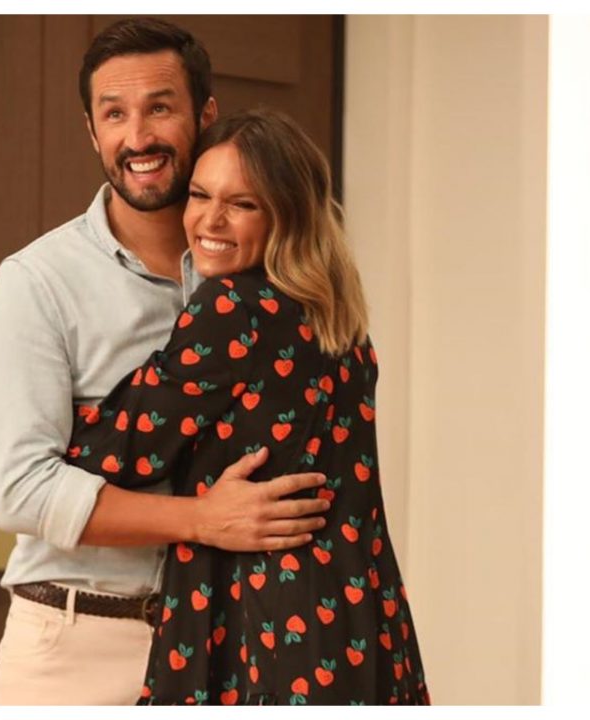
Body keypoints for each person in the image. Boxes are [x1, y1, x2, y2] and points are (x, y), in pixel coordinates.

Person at [0, 19, 330, 706]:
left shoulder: (269, 281)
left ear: (205, 115)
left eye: (160, 107)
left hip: (231, 649)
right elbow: (19, 491)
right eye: (114, 114)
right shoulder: (38, 282)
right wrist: (202, 519)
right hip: (77, 647)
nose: (137, 137)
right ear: (92, 131)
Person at [62, 108, 431, 705]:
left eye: (242, 204)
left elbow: (115, 453)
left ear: (285, 215)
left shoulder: (233, 308)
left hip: (265, 631)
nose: (210, 220)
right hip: (360, 623)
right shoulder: (343, 326)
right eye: (199, 195)